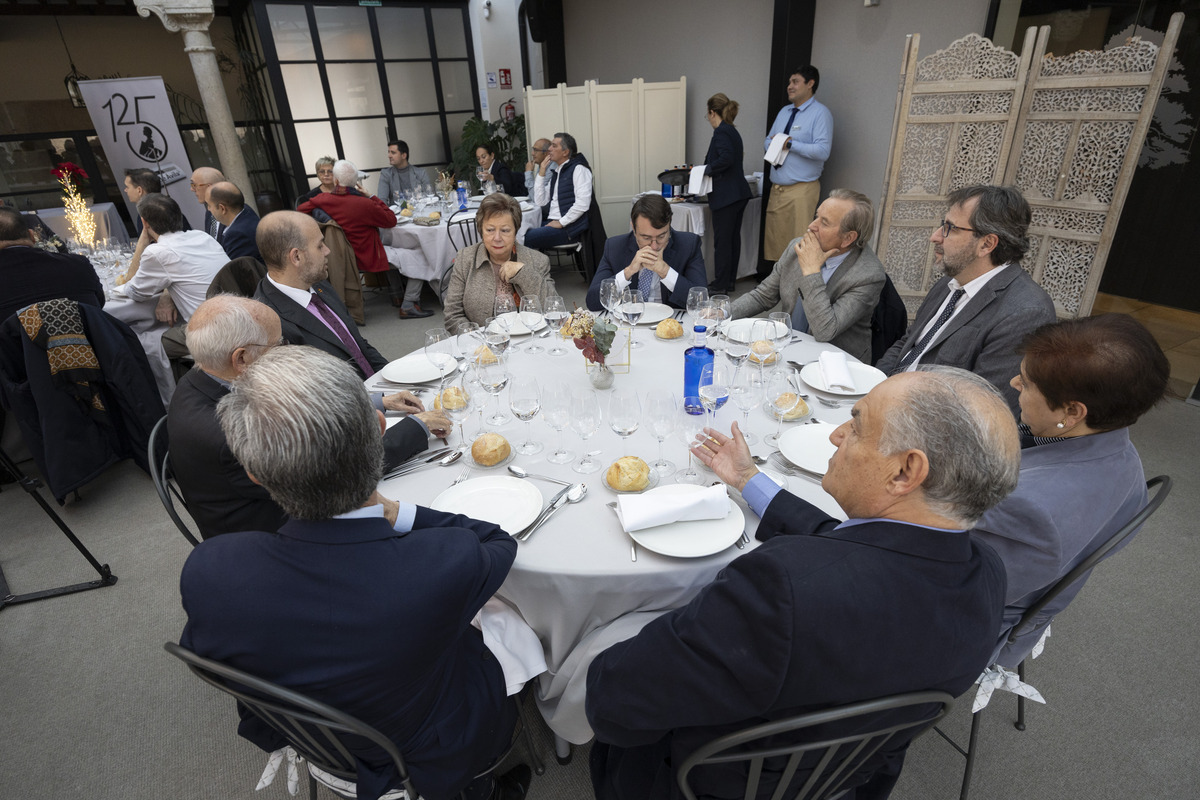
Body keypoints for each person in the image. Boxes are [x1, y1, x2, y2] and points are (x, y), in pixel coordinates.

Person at [586, 366, 1016, 800]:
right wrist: (748, 480)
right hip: (845, 779)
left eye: (857, 424)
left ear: (905, 472)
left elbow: (615, 703)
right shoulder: (987, 574)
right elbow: (851, 547)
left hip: (713, 783)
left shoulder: (783, 589)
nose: (836, 435)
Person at [178, 345, 529, 800]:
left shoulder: (211, 569)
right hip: (426, 746)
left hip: (314, 742)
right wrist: (400, 512)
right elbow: (499, 542)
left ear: (255, 474)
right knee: (513, 634)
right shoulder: (440, 563)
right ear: (380, 430)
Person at [972, 314, 1169, 667]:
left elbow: (957, 588)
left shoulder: (1033, 507)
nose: (1015, 382)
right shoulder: (1118, 448)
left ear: (1072, 411)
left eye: (1028, 384)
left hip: (971, 622)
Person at [169, 295, 448, 540]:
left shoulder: (204, 374)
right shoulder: (225, 435)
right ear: (240, 359)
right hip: (278, 537)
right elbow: (337, 465)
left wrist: (378, 402)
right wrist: (417, 427)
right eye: (277, 345)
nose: (286, 350)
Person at [876, 184, 1057, 415]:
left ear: (987, 244)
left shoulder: (1026, 313)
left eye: (949, 228)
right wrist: (873, 386)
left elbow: (983, 411)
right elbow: (909, 343)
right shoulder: (952, 281)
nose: (935, 236)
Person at [731, 189, 884, 363]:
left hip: (835, 365)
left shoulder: (868, 275)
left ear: (848, 238)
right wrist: (721, 314)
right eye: (816, 216)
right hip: (788, 348)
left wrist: (811, 270)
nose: (811, 226)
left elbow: (825, 331)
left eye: (824, 223)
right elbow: (763, 296)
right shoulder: (797, 247)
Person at [108, 194, 228, 403]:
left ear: (144, 223)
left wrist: (142, 243)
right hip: (233, 314)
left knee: (141, 343)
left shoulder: (157, 252)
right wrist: (166, 293)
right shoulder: (202, 236)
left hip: (209, 332)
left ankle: (173, 401)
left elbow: (136, 291)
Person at [254, 211, 394, 380]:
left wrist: (393, 376)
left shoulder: (317, 284)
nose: (327, 251)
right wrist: (378, 400)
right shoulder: (270, 324)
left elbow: (357, 344)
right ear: (296, 257)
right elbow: (310, 397)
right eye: (320, 246)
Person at [297, 160, 415, 316]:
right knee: (415, 256)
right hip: (367, 256)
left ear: (336, 180)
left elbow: (300, 210)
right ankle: (408, 303)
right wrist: (372, 196)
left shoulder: (323, 200)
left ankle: (397, 296)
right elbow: (390, 220)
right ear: (356, 182)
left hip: (340, 257)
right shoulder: (364, 204)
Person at [761, 65, 832, 280]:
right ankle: (778, 287)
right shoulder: (785, 112)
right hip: (778, 189)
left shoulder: (821, 113)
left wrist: (790, 144)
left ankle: (797, 287)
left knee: (800, 243)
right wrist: (776, 143)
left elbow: (822, 151)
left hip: (801, 190)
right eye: (790, 82)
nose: (789, 86)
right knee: (776, 243)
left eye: (795, 82)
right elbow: (767, 141)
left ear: (810, 84)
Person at [443, 193, 553, 332]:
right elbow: (453, 314)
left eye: (505, 230)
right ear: (481, 231)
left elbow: (552, 309)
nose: (497, 238)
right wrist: (477, 340)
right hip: (481, 346)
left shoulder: (538, 260)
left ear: (515, 231)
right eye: (490, 230)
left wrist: (523, 273)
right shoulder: (466, 259)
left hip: (530, 342)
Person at [584, 194, 705, 311]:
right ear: (634, 228)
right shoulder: (615, 247)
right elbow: (592, 302)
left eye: (661, 236)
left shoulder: (688, 245)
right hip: (630, 323)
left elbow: (701, 302)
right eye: (646, 238)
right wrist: (628, 272)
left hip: (671, 324)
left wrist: (665, 272)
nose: (654, 246)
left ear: (669, 224)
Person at [0, 207, 104, 323]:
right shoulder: (78, 264)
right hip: (91, 339)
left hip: (20, 341)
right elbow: (99, 305)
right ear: (32, 235)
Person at [703, 93, 753, 292]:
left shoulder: (721, 132)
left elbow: (726, 159)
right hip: (738, 194)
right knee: (732, 240)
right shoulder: (732, 131)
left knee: (722, 242)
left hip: (726, 196)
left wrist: (705, 170)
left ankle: (720, 284)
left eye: (707, 115)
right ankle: (729, 281)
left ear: (712, 112)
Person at [526, 132, 592, 249]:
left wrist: (561, 222)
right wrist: (541, 172)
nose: (549, 149)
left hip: (569, 228)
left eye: (554, 146)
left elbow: (583, 204)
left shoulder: (579, 169)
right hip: (554, 223)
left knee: (525, 238)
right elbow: (540, 201)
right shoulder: (558, 171)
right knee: (517, 233)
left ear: (565, 152)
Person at [205, 181, 261, 262]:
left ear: (222, 209)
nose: (208, 209)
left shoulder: (237, 235)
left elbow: (234, 270)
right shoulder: (245, 210)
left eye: (209, 205)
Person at [190, 166, 227, 241]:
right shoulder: (209, 212)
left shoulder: (232, 212)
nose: (192, 189)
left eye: (194, 185)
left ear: (209, 187)